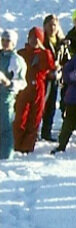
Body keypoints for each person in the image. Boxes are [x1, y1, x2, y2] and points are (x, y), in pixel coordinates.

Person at [14, 27, 55, 153]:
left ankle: (27, 146)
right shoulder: (22, 53)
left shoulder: (44, 54)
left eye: (37, 38)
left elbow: (51, 67)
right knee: (21, 117)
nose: (34, 41)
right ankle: (17, 143)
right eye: (32, 38)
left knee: (35, 118)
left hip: (39, 88)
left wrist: (45, 51)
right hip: (24, 89)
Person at [40, 15, 69, 142]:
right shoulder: (41, 41)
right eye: (49, 25)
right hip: (43, 78)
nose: (52, 28)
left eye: (54, 25)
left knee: (51, 106)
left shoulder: (61, 42)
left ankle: (46, 131)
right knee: (40, 106)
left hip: (55, 78)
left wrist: (61, 71)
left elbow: (66, 60)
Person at [0, 30, 26, 159]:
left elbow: (22, 82)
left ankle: (6, 156)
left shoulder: (16, 60)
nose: (5, 43)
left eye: (8, 41)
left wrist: (8, 82)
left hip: (6, 98)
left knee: (5, 127)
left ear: (14, 43)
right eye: (3, 40)